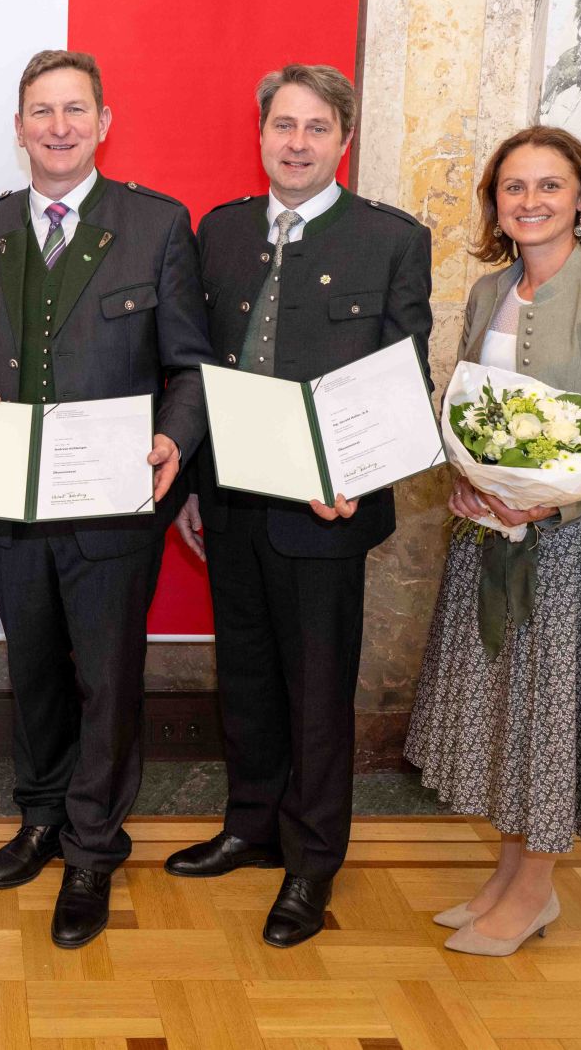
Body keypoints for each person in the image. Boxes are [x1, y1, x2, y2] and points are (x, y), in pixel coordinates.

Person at [0, 49, 213, 949]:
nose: (57, 127)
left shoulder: (157, 224)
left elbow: (189, 365)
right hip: (11, 500)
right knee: (33, 668)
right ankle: (42, 815)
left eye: (74, 110)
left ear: (104, 123)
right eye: (41, 111)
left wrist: (175, 438)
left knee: (107, 678)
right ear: (18, 127)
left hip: (112, 505)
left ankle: (94, 845)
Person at [167, 64, 433, 949]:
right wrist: (192, 485)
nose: (297, 143)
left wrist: (356, 471)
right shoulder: (222, 230)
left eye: (317, 128)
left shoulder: (390, 240)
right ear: (261, 134)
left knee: (317, 692)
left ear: (343, 141)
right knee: (244, 674)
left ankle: (313, 861)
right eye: (283, 125)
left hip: (327, 507)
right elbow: (197, 366)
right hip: (230, 499)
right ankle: (252, 825)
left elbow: (404, 378)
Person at [404, 126, 581, 956]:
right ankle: (510, 874)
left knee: (549, 713)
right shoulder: (490, 291)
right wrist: (463, 476)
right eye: (513, 187)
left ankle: (536, 888)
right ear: (495, 203)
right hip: (485, 535)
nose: (530, 201)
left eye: (549, 185)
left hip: (563, 547)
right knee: (504, 709)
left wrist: (547, 507)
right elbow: (465, 409)